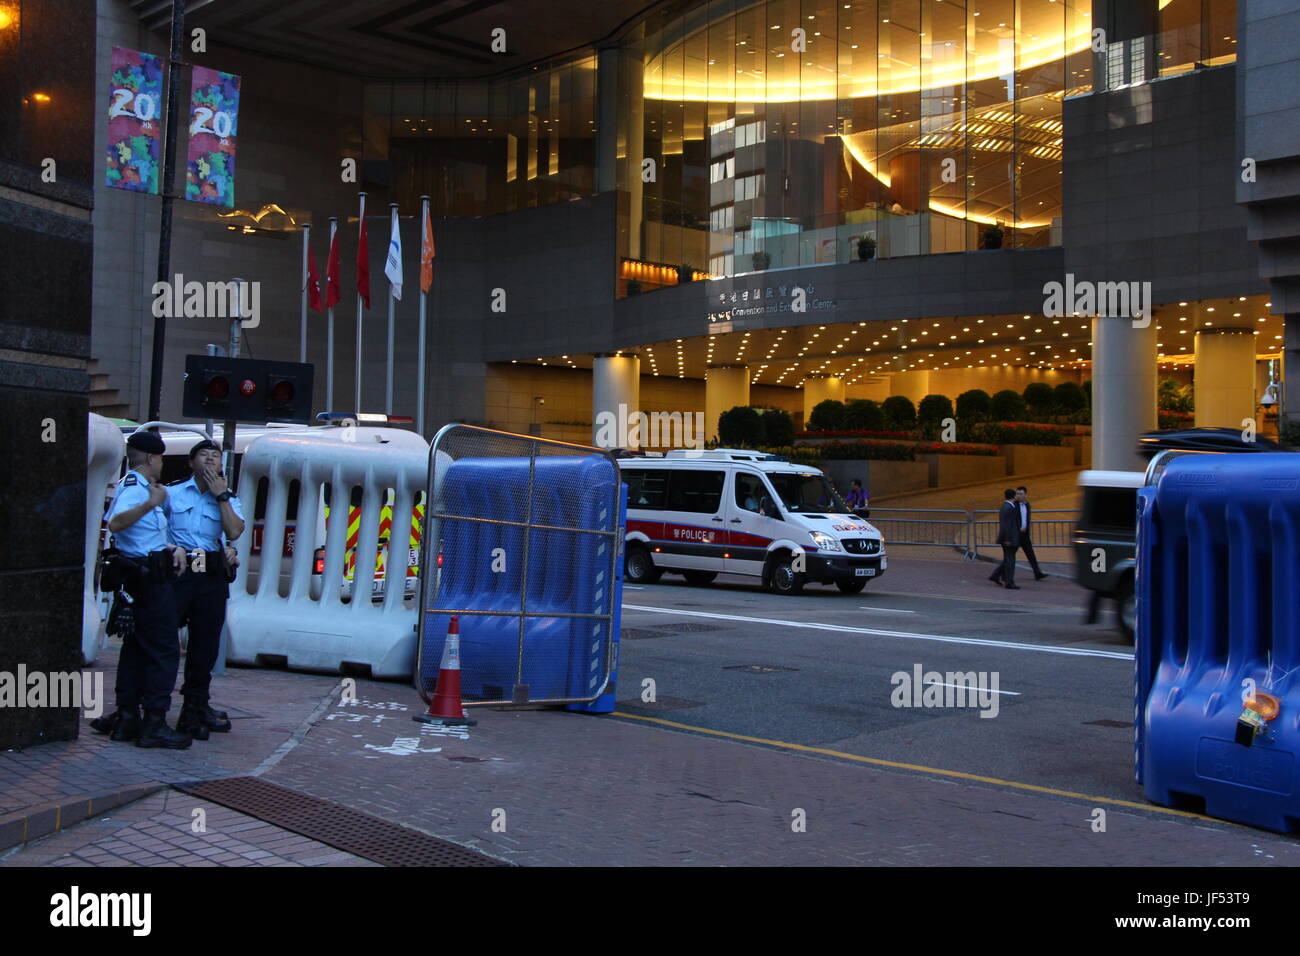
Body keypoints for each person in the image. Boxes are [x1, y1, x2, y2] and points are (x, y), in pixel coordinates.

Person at [89, 431, 192, 748]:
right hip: (148, 581)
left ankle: (127, 717)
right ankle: (154, 723)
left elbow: (144, 536)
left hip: (146, 574)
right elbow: (118, 524)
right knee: (164, 650)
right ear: (150, 458)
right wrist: (151, 503)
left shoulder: (141, 487)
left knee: (136, 650)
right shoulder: (138, 489)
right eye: (160, 458)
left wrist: (171, 547)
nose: (161, 463)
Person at [167, 439, 245, 740]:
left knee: (205, 646)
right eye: (204, 455)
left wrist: (221, 496)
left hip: (209, 574)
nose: (210, 461)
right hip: (178, 571)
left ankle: (195, 708)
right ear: (191, 462)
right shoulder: (172, 493)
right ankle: (150, 706)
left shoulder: (227, 496)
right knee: (164, 640)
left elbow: (234, 531)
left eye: (215, 457)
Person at [988, 488, 1021, 590]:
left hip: (1009, 538)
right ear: (1013, 496)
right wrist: (1007, 539)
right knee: (1010, 561)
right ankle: (1009, 582)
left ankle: (996, 576)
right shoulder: (1009, 508)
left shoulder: (1006, 506)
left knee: (1008, 560)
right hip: (1009, 539)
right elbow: (1006, 525)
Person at [1014, 486, 1048, 581]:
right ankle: (997, 574)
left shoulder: (1027, 505)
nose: (1018, 496)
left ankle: (1037, 573)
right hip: (1016, 535)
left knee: (1031, 554)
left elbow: (1026, 518)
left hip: (1025, 535)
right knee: (1010, 556)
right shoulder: (1014, 505)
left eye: (1020, 494)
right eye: (1017, 494)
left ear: (1025, 495)